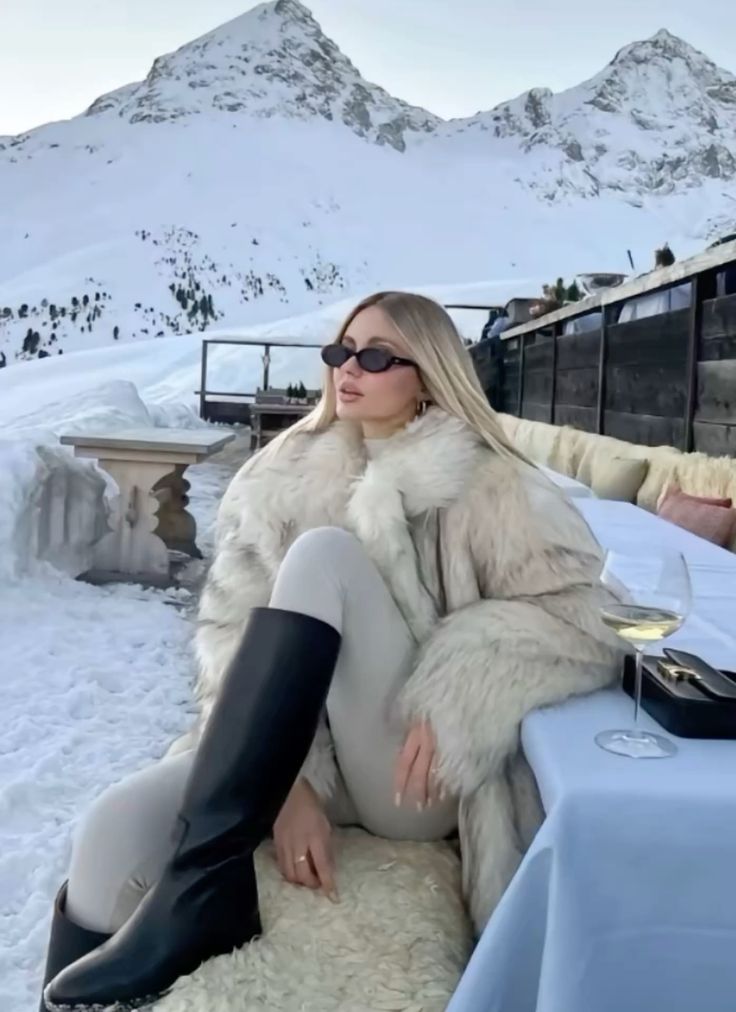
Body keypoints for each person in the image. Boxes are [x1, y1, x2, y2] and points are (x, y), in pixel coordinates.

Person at [41, 291, 622, 1011]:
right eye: (340, 352)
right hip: (296, 759)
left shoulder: (491, 482)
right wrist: (288, 784)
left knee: (322, 557)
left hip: (411, 777)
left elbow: (590, 615)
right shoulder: (280, 474)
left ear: (431, 373)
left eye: (375, 356)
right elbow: (229, 631)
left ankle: (200, 891)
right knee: (111, 830)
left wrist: (463, 691)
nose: (349, 368)